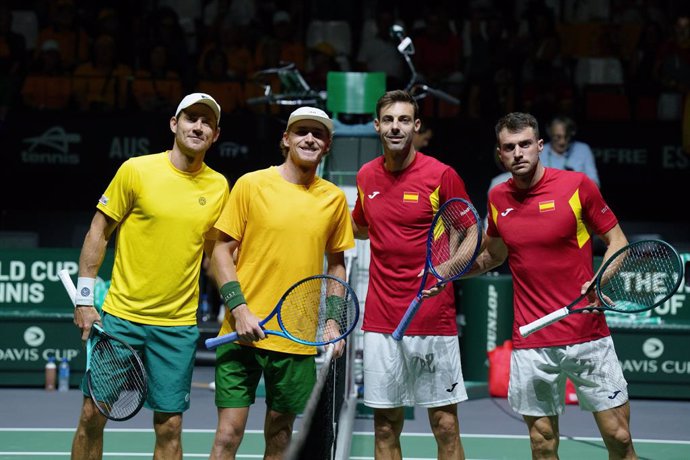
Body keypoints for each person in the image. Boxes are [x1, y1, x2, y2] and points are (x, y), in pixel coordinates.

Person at [465, 112, 637, 459]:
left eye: (525, 144)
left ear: (540, 146)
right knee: (542, 443)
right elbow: (494, 255)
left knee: (618, 437)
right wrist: (452, 274)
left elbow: (618, 240)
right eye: (509, 147)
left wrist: (600, 282)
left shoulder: (576, 186)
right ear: (500, 154)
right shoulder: (498, 198)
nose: (518, 153)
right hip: (532, 340)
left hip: (587, 333)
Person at [70, 92, 229, 459]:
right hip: (121, 318)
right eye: (191, 118)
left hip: (176, 326)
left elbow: (214, 256)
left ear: (215, 135)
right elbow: (98, 232)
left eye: (207, 122)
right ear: (174, 124)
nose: (198, 126)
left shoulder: (219, 186)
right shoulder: (136, 170)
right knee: (92, 414)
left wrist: (239, 303)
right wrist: (84, 298)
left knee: (170, 426)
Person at [209, 106, 354, 459]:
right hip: (241, 333)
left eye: (318, 134)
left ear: (327, 145)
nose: (309, 138)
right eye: (301, 131)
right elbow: (220, 252)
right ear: (285, 139)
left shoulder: (333, 199)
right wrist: (239, 310)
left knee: (280, 435)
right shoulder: (251, 184)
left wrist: (333, 319)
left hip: (296, 339)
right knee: (228, 435)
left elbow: (336, 265)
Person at [351, 89, 470, 460]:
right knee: (385, 424)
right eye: (388, 120)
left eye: (404, 120)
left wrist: (445, 270)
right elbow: (359, 227)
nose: (396, 127)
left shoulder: (440, 175)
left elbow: (469, 233)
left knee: (445, 425)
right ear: (376, 126)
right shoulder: (366, 176)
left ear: (416, 126)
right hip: (382, 319)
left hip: (432, 319)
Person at [541, 115, 600, 187]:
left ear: (572, 134)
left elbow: (595, 184)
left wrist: (576, 181)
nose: (562, 142)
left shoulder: (583, 149)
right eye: (558, 137)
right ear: (550, 133)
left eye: (566, 136)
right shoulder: (540, 151)